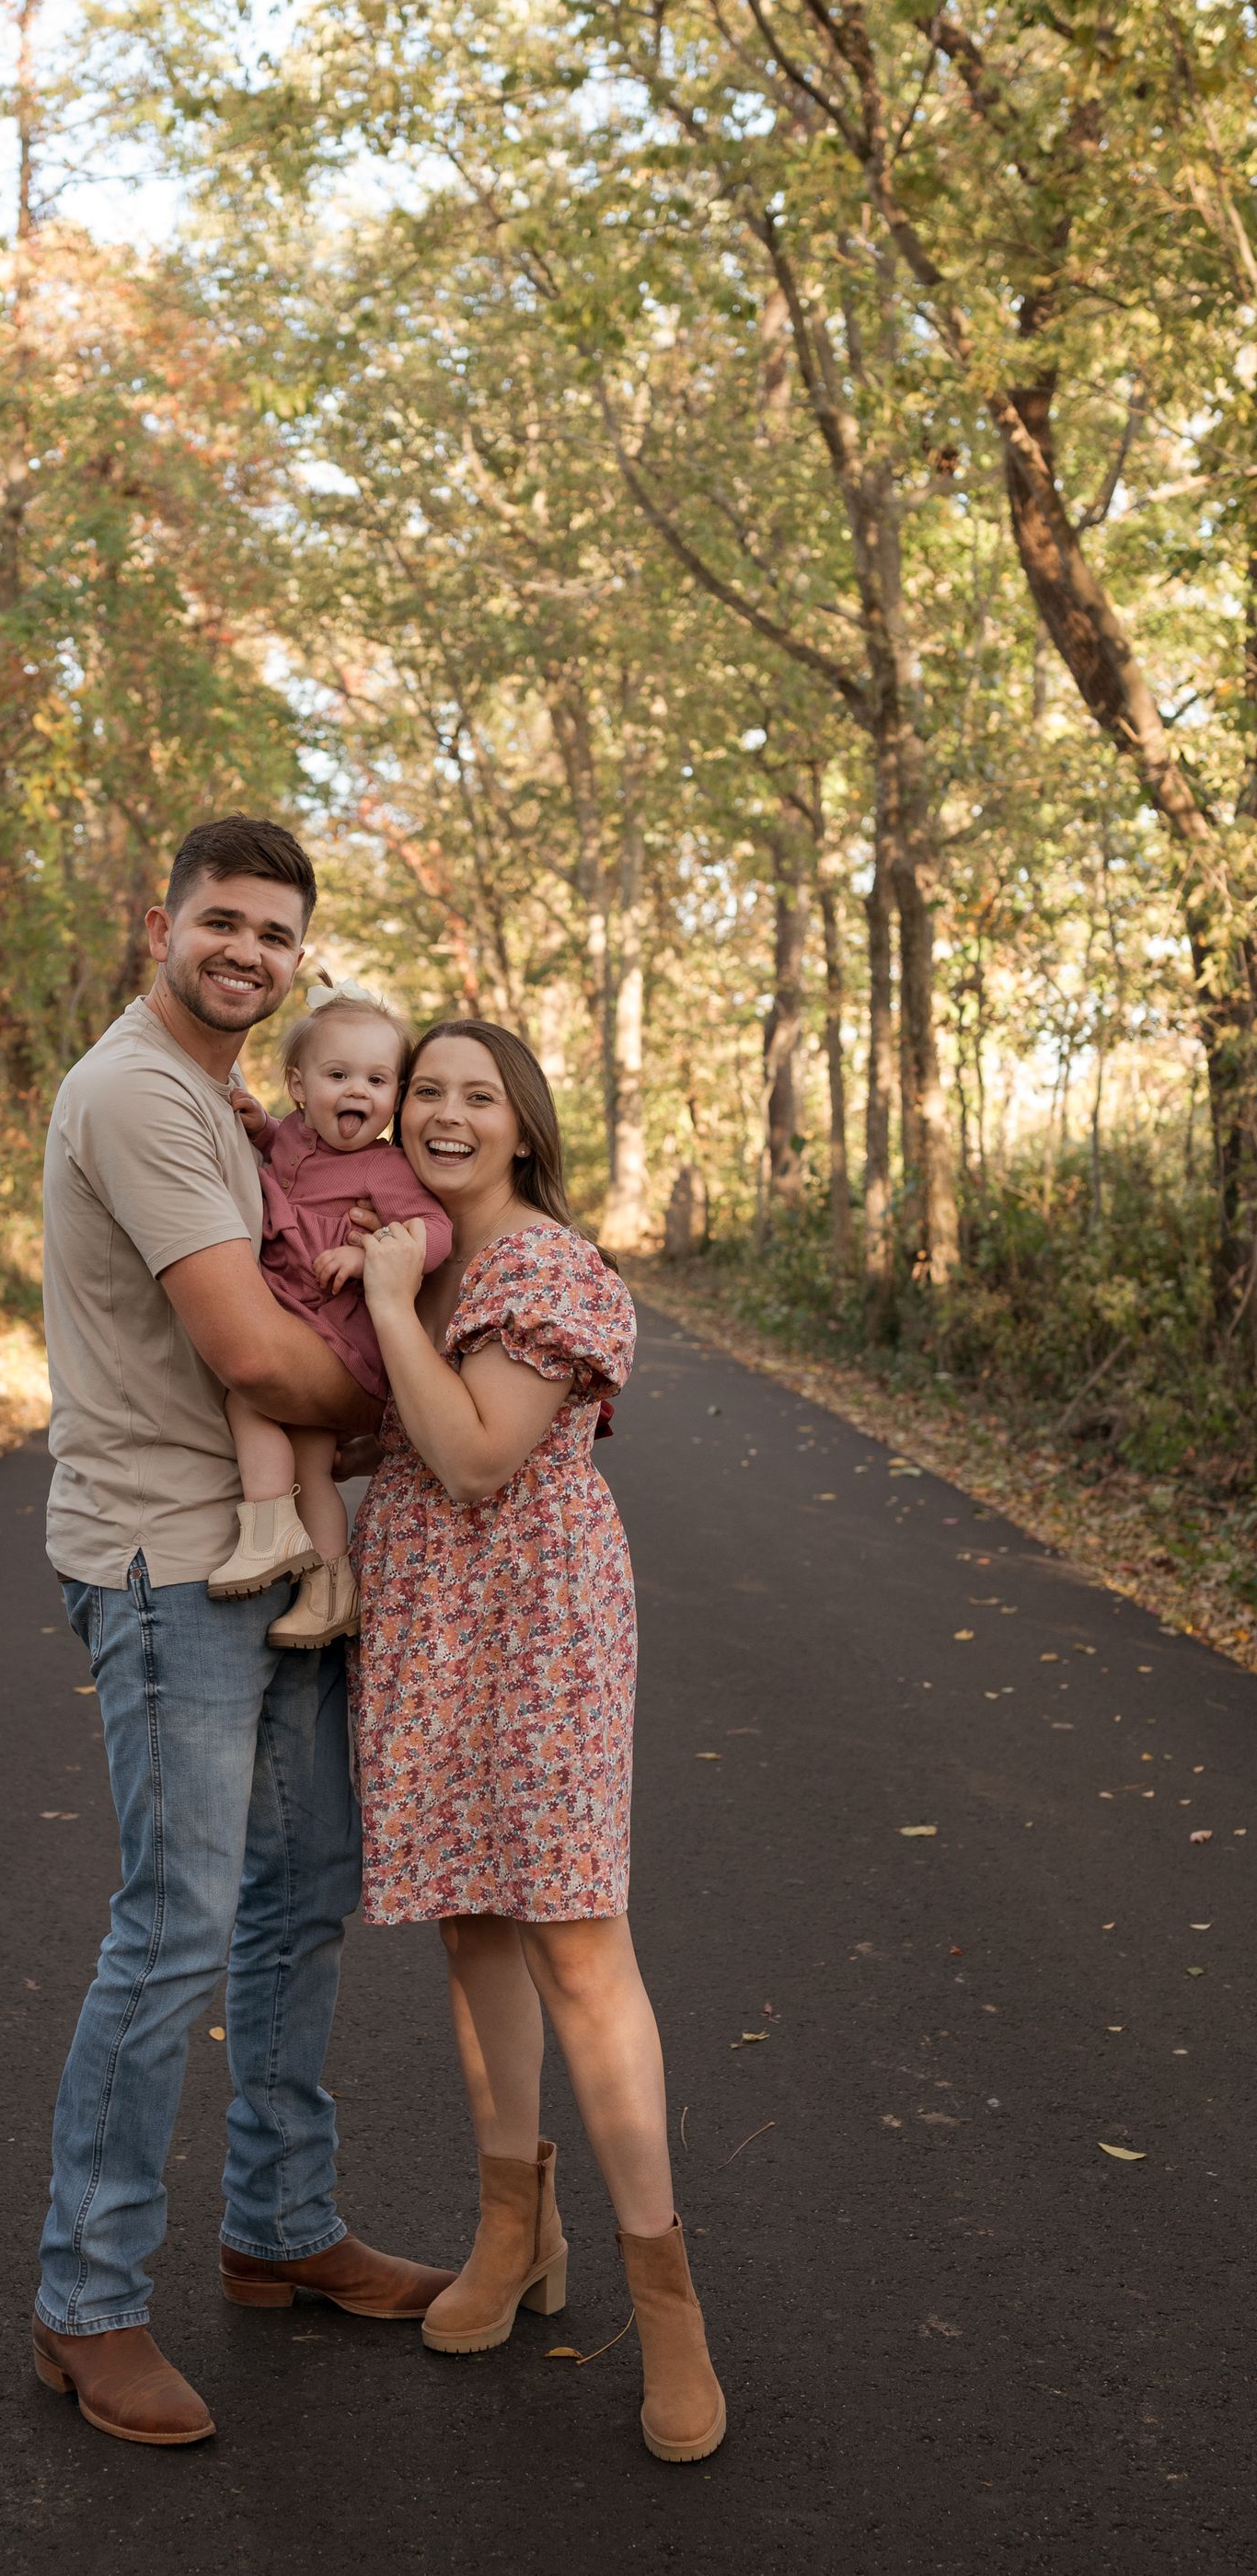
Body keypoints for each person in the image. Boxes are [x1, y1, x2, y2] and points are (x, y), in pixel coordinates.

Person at [32, 815, 453, 2449]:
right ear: (166, 923)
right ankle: (86, 2301)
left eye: (276, 934)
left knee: (303, 1893)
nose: (247, 951)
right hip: (165, 1559)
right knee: (178, 1922)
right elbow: (261, 1358)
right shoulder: (140, 1093)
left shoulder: (236, 1104)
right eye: (224, 921)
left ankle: (281, 2230)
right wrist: (426, 1414)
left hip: (269, 1556)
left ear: (296, 959)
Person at [350, 1019, 728, 2465]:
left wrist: (388, 1302)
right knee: (467, 1926)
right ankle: (514, 2229)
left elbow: (474, 1453)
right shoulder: (417, 1258)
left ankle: (667, 2298)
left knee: (578, 1942)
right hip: (432, 1622)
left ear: (524, 1127)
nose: (444, 1114)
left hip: (539, 1626)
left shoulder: (546, 1268)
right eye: (424, 1092)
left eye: (475, 1096)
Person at [209, 983, 453, 1650]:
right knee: (313, 1465)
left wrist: (368, 1251)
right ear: (299, 1084)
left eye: (377, 1080)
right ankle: (330, 1590)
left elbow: (435, 1231)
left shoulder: (386, 1167)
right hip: (297, 1313)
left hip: (338, 1329)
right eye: (338, 1075)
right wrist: (258, 1128)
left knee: (248, 1399)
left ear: (394, 1099)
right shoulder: (288, 1134)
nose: (357, 1092)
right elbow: (274, 1151)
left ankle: (267, 1529)